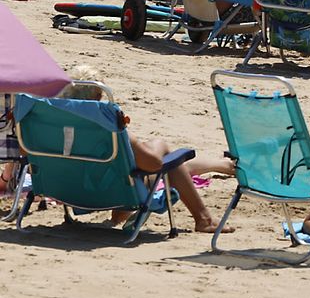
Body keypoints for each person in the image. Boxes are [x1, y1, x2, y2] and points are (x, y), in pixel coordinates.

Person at [58, 70, 233, 234]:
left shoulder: (51, 127)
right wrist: (139, 139)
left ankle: (223, 165)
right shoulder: (109, 129)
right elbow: (153, 164)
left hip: (71, 192)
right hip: (115, 193)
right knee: (165, 156)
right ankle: (204, 218)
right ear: (98, 96)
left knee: (156, 164)